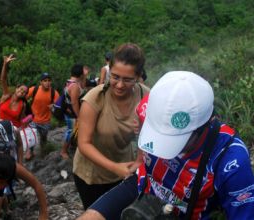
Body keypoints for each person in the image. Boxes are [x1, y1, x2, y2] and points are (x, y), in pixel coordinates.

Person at [77, 71, 254, 220]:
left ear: (207, 124)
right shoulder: (149, 108)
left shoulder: (230, 162)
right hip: (142, 185)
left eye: (178, 140)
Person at [73, 43, 150, 210]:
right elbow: (84, 143)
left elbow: (153, 133)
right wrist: (115, 168)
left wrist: (139, 160)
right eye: (115, 77)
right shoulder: (95, 98)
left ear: (137, 77)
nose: (120, 85)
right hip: (91, 175)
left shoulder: (145, 95)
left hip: (126, 167)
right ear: (109, 70)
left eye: (128, 79)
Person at [26, 72, 59, 159]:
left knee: (43, 138)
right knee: (31, 137)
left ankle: (43, 150)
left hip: (46, 121)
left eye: (49, 81)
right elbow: (23, 98)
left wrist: (54, 106)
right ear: (41, 82)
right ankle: (30, 151)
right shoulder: (34, 89)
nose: (47, 82)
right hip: (33, 119)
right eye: (45, 81)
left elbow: (59, 106)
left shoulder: (53, 92)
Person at [60, 64, 87, 159]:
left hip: (69, 112)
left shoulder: (69, 82)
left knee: (74, 130)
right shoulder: (74, 86)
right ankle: (63, 151)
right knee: (70, 131)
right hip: (72, 113)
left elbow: (83, 88)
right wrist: (79, 116)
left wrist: (85, 76)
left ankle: (72, 145)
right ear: (80, 75)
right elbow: (74, 102)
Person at [0, 54, 28, 128]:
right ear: (16, 89)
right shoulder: (6, 96)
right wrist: (5, 65)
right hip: (1, 126)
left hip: (14, 130)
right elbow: (3, 79)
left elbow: (22, 119)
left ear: (25, 95)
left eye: (24, 92)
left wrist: (25, 126)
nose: (22, 92)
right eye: (21, 89)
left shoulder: (22, 105)